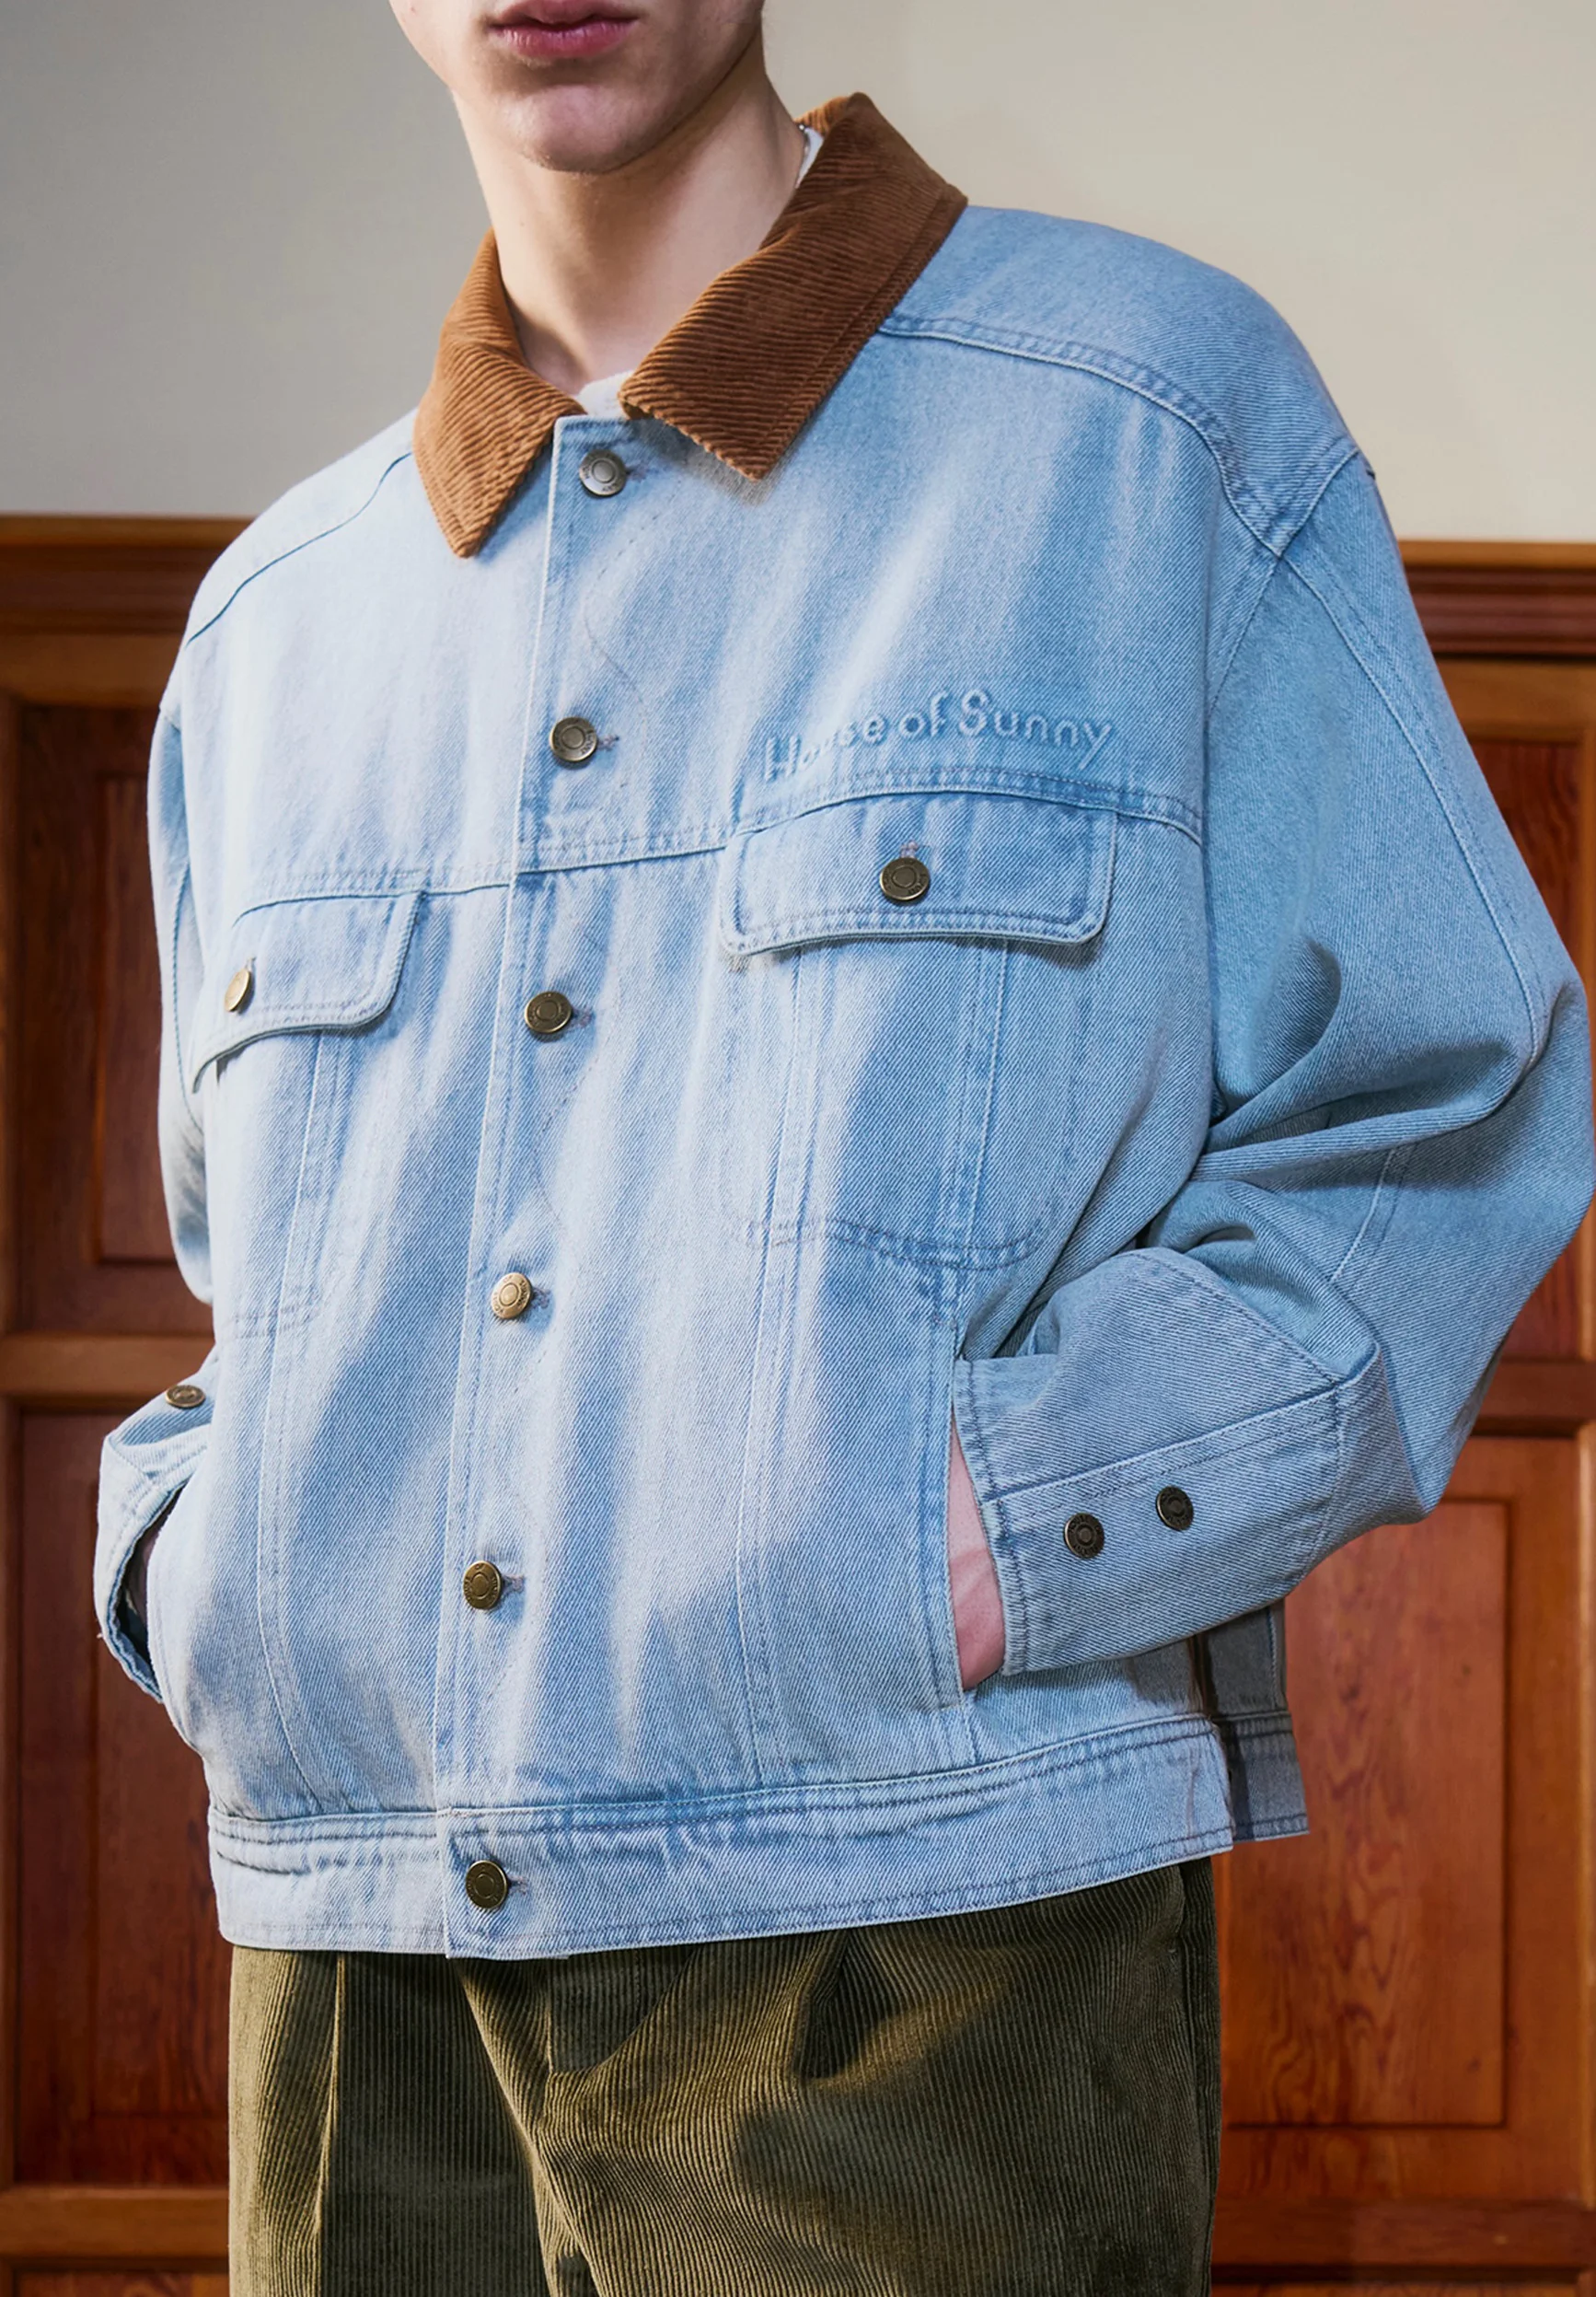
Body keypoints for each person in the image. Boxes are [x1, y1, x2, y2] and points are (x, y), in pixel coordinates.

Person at [95, 3, 1592, 2291]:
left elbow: (1440, 1103)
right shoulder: (277, 623)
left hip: (929, 1952)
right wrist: (208, 1563)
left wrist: (993, 1527)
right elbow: (248, 1284)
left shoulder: (1151, 425)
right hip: (350, 1965)